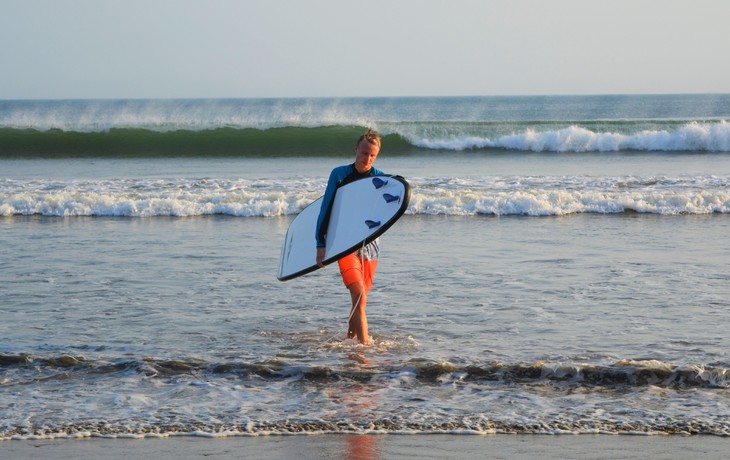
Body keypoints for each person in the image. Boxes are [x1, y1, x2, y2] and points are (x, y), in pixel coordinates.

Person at [315, 129, 385, 345]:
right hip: (344, 243)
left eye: (372, 155)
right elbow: (326, 209)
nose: (368, 159)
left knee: (359, 300)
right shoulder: (339, 174)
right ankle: (364, 350)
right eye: (364, 153)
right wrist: (321, 243)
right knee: (359, 294)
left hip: (371, 246)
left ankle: (349, 337)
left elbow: (384, 213)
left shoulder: (380, 179)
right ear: (356, 149)